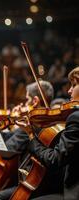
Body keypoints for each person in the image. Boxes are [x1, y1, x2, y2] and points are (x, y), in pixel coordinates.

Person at [0, 80, 64, 200]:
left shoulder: (33, 125)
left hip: (38, 183)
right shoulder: (50, 124)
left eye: (27, 99)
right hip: (45, 180)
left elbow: (7, 150)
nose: (25, 104)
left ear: (35, 101)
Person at [24, 67, 79, 200]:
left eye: (74, 85)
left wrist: (32, 136)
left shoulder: (76, 118)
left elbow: (54, 159)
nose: (69, 90)